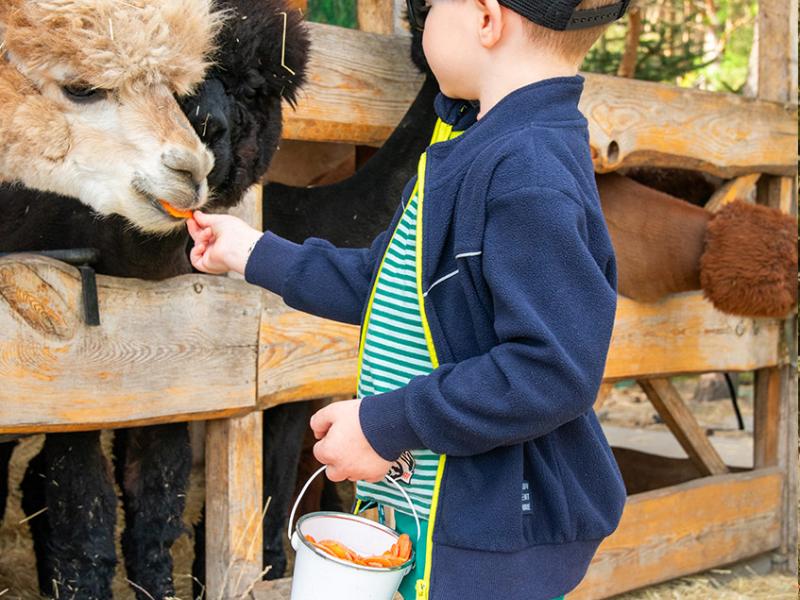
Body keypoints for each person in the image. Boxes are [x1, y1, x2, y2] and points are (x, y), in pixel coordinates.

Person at [187, 0, 630, 597]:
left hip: (484, 539)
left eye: (430, 5)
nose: (422, 18)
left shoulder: (528, 170)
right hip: (431, 510)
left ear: (485, 19)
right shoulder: (476, 147)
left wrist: (383, 425)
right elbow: (390, 285)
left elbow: (551, 370)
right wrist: (252, 252)